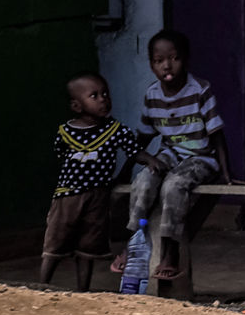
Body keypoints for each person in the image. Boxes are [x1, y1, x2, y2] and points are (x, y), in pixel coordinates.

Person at [114, 30, 228, 285]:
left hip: (201, 157)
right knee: (144, 181)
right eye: (159, 60)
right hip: (171, 154)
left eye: (174, 58)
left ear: (185, 59)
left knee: (173, 185)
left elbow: (218, 135)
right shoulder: (152, 95)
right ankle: (133, 242)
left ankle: (170, 250)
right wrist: (125, 170)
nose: (167, 65)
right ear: (152, 64)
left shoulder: (200, 90)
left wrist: (227, 174)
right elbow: (142, 139)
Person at [41, 73, 147, 290]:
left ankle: (83, 291)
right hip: (68, 196)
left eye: (105, 94)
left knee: (87, 246)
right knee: (55, 242)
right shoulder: (66, 132)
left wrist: (151, 160)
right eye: (94, 96)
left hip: (98, 196)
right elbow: (60, 153)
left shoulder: (116, 130)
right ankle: (41, 287)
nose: (103, 99)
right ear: (77, 106)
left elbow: (134, 151)